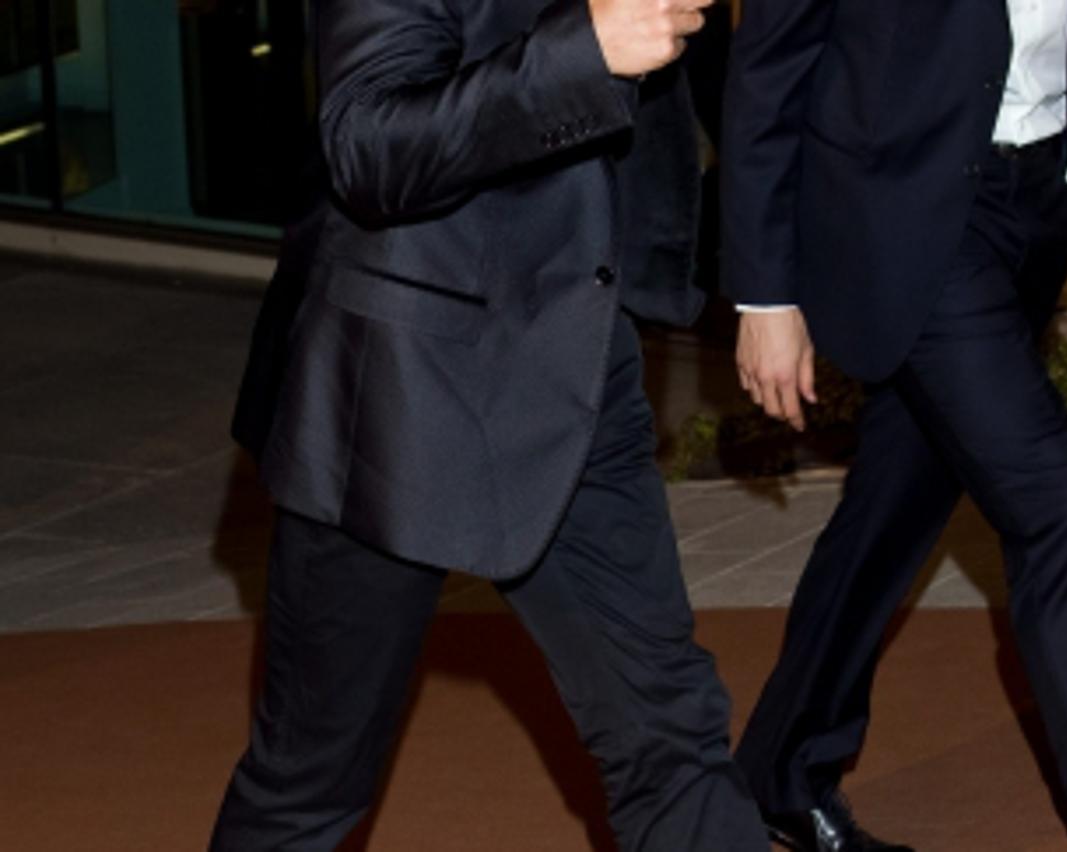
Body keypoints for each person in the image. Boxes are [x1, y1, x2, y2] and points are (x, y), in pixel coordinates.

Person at [208, 0, 771, 849]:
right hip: (401, 388)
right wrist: (586, 49)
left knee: (668, 732)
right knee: (309, 786)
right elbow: (368, 144)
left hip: (577, 356)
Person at [720, 0, 1067, 850]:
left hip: (1030, 209)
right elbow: (769, 69)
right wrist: (765, 293)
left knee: (894, 506)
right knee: (1059, 514)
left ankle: (782, 769)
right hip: (905, 223)